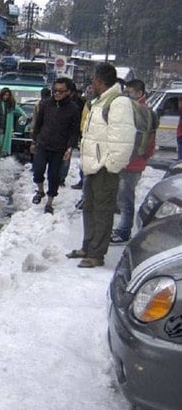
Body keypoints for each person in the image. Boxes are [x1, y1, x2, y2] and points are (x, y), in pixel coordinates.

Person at [66, 63, 136, 268]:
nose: (91, 83)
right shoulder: (100, 101)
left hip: (105, 168)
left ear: (100, 80)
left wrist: (111, 165)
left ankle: (97, 253)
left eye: (93, 79)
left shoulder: (118, 103)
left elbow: (123, 139)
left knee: (103, 211)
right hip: (92, 166)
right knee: (89, 207)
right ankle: (88, 246)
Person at [110, 79, 156, 244]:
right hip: (131, 160)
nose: (126, 95)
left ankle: (124, 231)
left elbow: (149, 139)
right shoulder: (141, 110)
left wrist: (142, 157)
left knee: (126, 198)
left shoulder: (140, 111)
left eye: (129, 92)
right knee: (123, 197)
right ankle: (122, 228)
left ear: (138, 93)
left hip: (132, 162)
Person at [30, 78, 80, 214]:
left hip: (59, 147)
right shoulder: (46, 105)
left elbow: (74, 131)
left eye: (61, 91)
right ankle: (40, 191)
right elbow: (38, 124)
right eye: (55, 91)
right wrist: (34, 141)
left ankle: (50, 202)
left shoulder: (73, 109)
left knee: (54, 176)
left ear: (68, 92)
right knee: (38, 169)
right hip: (43, 143)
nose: (57, 94)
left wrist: (70, 148)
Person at [0, 87, 26, 160]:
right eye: (5, 95)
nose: (6, 96)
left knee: (3, 147)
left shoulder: (11, 105)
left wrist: (24, 118)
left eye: (7, 95)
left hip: (7, 128)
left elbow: (22, 113)